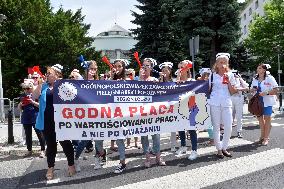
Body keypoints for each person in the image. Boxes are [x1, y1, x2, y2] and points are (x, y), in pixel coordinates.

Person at [34, 64, 76, 180]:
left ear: (57, 75)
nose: (47, 75)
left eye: (49, 74)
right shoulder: (44, 86)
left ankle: (71, 165)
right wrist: (39, 84)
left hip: (61, 120)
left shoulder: (64, 85)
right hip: (47, 121)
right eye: (46, 74)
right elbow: (34, 96)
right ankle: (50, 167)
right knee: (51, 145)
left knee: (65, 143)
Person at [74, 61, 106, 171]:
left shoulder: (99, 82)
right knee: (84, 139)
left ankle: (98, 159)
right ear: (86, 69)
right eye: (91, 68)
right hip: (84, 115)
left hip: (97, 115)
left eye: (95, 69)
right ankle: (76, 160)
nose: (93, 71)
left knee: (98, 139)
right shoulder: (80, 81)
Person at [209, 53, 237, 159]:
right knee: (216, 126)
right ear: (216, 63)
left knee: (228, 126)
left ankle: (225, 147)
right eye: (220, 62)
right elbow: (208, 89)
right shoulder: (212, 75)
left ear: (227, 63)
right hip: (214, 102)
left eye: (224, 62)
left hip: (226, 102)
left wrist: (228, 79)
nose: (222, 64)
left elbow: (233, 91)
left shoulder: (230, 74)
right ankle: (219, 149)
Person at [139, 58, 166, 167]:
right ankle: (147, 158)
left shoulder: (154, 79)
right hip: (141, 112)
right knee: (144, 135)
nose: (145, 67)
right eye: (143, 65)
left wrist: (160, 81)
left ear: (151, 67)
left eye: (147, 65)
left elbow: (162, 93)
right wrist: (141, 79)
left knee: (156, 135)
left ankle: (158, 157)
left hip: (153, 111)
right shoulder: (138, 79)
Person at [175, 60, 199, 160]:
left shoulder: (192, 81)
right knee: (181, 127)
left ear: (187, 68)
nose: (180, 69)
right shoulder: (176, 81)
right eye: (179, 68)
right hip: (180, 107)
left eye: (182, 67)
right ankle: (183, 146)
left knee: (191, 129)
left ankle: (194, 150)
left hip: (191, 107)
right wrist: (178, 78)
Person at [250, 64, 278, 145]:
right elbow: (252, 89)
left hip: (267, 101)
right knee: (260, 120)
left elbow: (276, 89)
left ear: (264, 70)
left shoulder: (269, 78)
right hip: (257, 102)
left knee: (267, 119)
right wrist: (252, 90)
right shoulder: (255, 78)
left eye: (259, 68)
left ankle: (266, 138)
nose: (257, 69)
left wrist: (266, 92)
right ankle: (262, 136)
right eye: (257, 68)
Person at [18, 79, 45, 158]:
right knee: (28, 135)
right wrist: (20, 104)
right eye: (24, 88)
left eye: (28, 88)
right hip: (26, 117)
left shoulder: (36, 94)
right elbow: (19, 109)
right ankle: (29, 150)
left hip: (36, 116)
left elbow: (41, 106)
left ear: (32, 87)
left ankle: (43, 150)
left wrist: (32, 102)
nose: (26, 90)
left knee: (40, 134)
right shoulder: (23, 95)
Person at [158, 62, 177, 152]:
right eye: (163, 71)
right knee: (159, 126)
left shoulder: (174, 81)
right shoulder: (159, 80)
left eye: (166, 70)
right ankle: (157, 147)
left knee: (173, 127)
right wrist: (161, 79)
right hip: (161, 107)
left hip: (172, 106)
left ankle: (173, 144)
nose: (165, 72)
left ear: (170, 71)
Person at [198, 68, 214, 145]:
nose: (206, 76)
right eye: (205, 74)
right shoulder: (210, 81)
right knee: (209, 121)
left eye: (207, 74)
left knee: (208, 122)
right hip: (208, 101)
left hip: (206, 102)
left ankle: (213, 139)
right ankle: (213, 138)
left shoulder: (205, 82)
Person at [231, 70, 249, 138]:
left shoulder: (240, 80)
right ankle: (227, 131)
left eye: (235, 73)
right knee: (229, 116)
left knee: (239, 116)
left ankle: (239, 131)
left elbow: (246, 88)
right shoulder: (228, 80)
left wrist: (240, 78)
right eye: (233, 73)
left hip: (239, 98)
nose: (234, 75)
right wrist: (239, 89)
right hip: (230, 98)